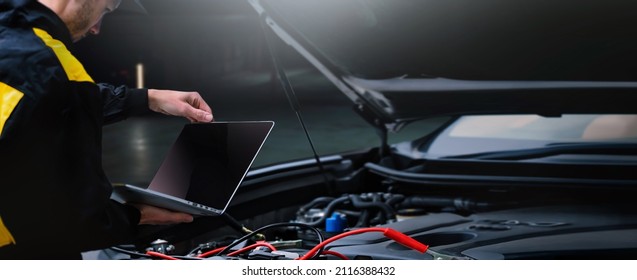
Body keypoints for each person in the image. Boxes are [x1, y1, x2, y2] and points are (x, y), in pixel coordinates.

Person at [0, 0, 214, 259]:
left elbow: (35, 102)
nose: (96, 29)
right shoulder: (54, 66)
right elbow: (79, 220)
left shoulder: (13, 41)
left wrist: (149, 98)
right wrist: (137, 215)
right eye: (105, 10)